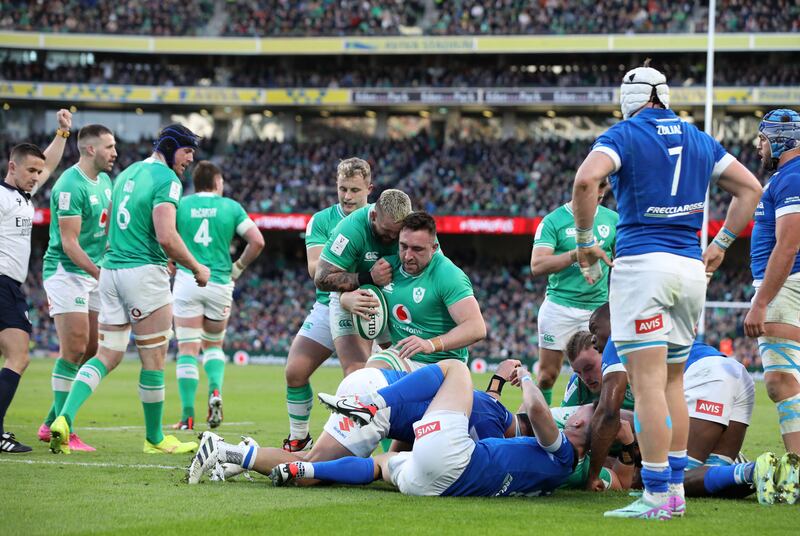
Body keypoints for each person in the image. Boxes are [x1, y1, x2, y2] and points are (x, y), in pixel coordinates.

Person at [572, 64, 762, 518]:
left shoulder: (625, 133)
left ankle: (657, 494)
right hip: (689, 270)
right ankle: (673, 489)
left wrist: (582, 241)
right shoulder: (699, 138)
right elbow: (750, 189)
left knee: (648, 382)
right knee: (674, 380)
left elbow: (584, 180)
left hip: (644, 268)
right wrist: (719, 247)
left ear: (630, 99)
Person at [49, 124, 209, 454]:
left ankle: (63, 418)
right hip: (143, 274)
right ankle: (155, 438)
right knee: (154, 359)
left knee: (107, 354)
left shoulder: (125, 175)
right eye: (187, 151)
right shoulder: (168, 181)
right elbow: (166, 236)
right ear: (169, 147)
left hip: (110, 272)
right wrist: (196, 266)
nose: (190, 159)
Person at [270, 360, 589, 498]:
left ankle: (371, 404)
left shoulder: (553, 449)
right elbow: (490, 421)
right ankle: (245, 456)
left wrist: (516, 378)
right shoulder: (552, 475)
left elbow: (527, 410)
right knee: (376, 467)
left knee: (456, 368)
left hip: (438, 451)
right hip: (434, 481)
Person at [186, 359, 521, 485]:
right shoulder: (492, 428)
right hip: (378, 402)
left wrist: (497, 381)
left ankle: (248, 455)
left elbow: (412, 441)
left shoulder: (487, 405)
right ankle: (226, 450)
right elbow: (485, 461)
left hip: (375, 383)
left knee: (319, 465)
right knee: (309, 472)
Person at [586, 304, 764, 501]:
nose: (592, 338)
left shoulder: (620, 334)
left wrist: (593, 475)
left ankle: (756, 470)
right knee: (716, 482)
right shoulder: (655, 329)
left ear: (613, 319)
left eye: (594, 329)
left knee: (670, 479)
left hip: (706, 376)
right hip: (734, 374)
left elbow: (609, 410)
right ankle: (771, 472)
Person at [282, 157, 372, 452]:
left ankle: (374, 449)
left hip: (370, 307)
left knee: (360, 378)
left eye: (355, 190)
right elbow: (314, 268)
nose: (347, 196)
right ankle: (299, 437)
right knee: (294, 371)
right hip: (327, 303)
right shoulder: (321, 221)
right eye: (343, 189)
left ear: (369, 189)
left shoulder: (378, 220)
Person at [37, 124, 117, 453]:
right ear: (89, 149)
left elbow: (107, 231)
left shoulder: (107, 181)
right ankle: (64, 430)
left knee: (91, 351)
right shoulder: (70, 184)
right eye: (109, 147)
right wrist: (101, 273)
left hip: (96, 271)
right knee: (73, 348)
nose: (114, 153)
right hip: (67, 271)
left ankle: (49, 422)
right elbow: (69, 244)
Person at [0, 109, 72, 453]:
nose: (36, 177)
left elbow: (50, 164)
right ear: (11, 167)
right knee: (18, 356)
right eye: (30, 170)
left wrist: (61, 134)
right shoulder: (1, 196)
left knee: (15, 357)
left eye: (38, 172)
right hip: (2, 284)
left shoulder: (24, 196)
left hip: (11, 286)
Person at [172, 161, 263, 430]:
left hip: (189, 280)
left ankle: (187, 416)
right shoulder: (231, 207)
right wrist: (238, 268)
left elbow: (165, 237)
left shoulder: (182, 205)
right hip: (220, 283)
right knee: (213, 346)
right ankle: (214, 391)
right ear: (218, 182)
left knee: (187, 350)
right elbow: (257, 241)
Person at [339, 211, 485, 372]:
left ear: (434, 247)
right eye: (403, 246)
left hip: (443, 364)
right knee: (372, 371)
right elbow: (360, 292)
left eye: (417, 249)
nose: (408, 256)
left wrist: (429, 344)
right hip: (403, 358)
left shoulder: (448, 275)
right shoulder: (386, 268)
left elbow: (476, 327)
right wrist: (345, 299)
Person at [744, 109, 800, 457]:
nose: (759, 147)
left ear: (781, 140)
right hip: (789, 285)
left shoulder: (792, 178)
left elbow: (789, 243)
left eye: (763, 139)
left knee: (781, 381)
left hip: (785, 286)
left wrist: (762, 300)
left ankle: (797, 467)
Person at [531, 177, 617, 405]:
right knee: (547, 376)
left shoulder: (612, 219)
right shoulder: (554, 221)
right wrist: (575, 254)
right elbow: (537, 265)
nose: (598, 198)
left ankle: (595, 426)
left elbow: (623, 261)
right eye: (593, 193)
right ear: (579, 190)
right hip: (559, 307)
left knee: (601, 373)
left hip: (597, 311)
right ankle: (539, 428)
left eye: (602, 194)